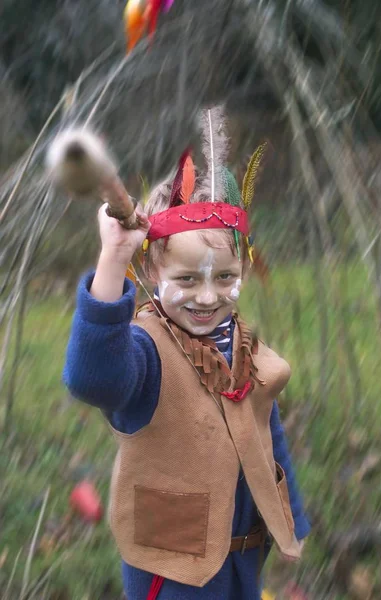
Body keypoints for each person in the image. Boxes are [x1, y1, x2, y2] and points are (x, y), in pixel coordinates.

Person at [64, 109, 311, 600]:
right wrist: (113, 260)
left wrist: (289, 518)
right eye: (186, 279)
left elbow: (267, 437)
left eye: (224, 277)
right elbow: (94, 378)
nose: (206, 296)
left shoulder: (244, 348)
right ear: (155, 273)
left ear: (242, 266)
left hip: (242, 555)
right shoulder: (147, 351)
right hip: (170, 561)